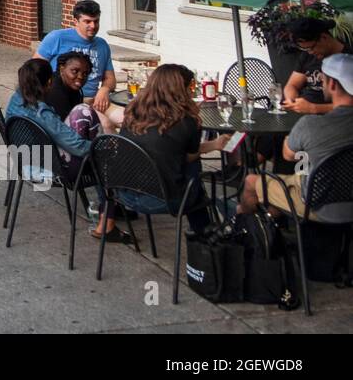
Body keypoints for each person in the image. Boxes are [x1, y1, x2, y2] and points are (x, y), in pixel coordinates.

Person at [109, 64, 228, 237]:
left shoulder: (133, 112)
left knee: (182, 163)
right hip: (163, 199)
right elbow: (187, 157)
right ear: (182, 89)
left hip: (125, 194)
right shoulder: (187, 121)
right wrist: (214, 144)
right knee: (194, 168)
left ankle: (205, 232)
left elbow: (172, 152)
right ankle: (205, 235)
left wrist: (214, 144)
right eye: (190, 87)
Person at [239, 53, 353, 223]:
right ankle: (273, 223)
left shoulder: (309, 125)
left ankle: (244, 230)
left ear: (333, 84)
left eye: (323, 80)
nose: (321, 84)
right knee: (288, 183)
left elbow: (288, 155)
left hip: (316, 205)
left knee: (251, 182)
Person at [5, 58, 99, 187]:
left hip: (22, 161)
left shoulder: (17, 97)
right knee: (83, 111)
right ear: (50, 82)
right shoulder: (42, 113)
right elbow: (77, 147)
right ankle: (109, 203)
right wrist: (102, 148)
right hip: (49, 170)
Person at [34, 0, 117, 111]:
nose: (93, 26)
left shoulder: (102, 45)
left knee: (128, 117)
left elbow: (110, 78)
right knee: (105, 124)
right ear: (76, 21)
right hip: (62, 99)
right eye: (87, 21)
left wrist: (104, 90)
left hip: (95, 101)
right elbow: (34, 70)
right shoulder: (57, 37)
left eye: (96, 21)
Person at [281, 16, 348, 115]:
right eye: (306, 49)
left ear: (324, 37)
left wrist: (314, 108)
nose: (310, 52)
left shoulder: (348, 60)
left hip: (329, 120)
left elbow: (349, 107)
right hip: (301, 114)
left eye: (311, 47)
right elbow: (292, 85)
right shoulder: (308, 55)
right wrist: (292, 100)